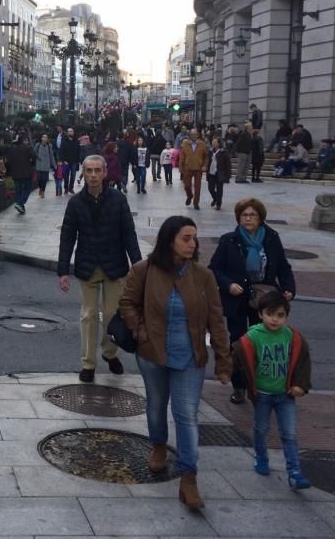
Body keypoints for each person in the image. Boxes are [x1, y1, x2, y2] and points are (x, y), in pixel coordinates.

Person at [119, 216, 232, 509]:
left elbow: (216, 320)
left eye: (194, 238)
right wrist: (140, 331)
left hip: (190, 357)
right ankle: (158, 445)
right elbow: (127, 303)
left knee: (186, 415)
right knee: (156, 405)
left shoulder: (203, 276)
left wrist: (223, 359)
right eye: (186, 238)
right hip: (152, 353)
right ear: (169, 239)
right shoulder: (144, 271)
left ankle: (188, 477)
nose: (192, 244)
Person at [57, 154, 142, 383]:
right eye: (89, 171)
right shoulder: (75, 203)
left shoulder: (118, 200)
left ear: (105, 173)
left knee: (113, 314)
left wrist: (139, 266)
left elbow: (129, 234)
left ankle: (109, 353)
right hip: (88, 266)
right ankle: (88, 363)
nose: (93, 175)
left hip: (115, 266)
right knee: (88, 315)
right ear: (82, 174)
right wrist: (63, 270)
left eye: (97, 171)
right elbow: (67, 237)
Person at [209, 198, 296, 404]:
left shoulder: (271, 238)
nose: (248, 219)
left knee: (261, 343)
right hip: (237, 299)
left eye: (252, 215)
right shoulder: (228, 240)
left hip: (264, 301)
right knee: (239, 343)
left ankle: (256, 385)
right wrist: (228, 284)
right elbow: (215, 268)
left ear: (260, 218)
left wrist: (289, 288)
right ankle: (239, 386)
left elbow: (283, 267)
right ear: (239, 218)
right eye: (244, 215)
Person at [233, 290, 312, 490]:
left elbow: (303, 362)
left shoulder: (292, 337)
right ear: (260, 314)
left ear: (286, 316)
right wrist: (227, 372)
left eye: (280, 315)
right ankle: (261, 457)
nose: (275, 320)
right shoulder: (253, 336)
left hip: (285, 395)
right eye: (270, 314)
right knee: (261, 429)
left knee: (289, 433)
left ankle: (294, 472)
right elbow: (239, 357)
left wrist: (301, 385)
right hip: (262, 395)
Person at [179, 128, 208, 210]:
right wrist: (181, 167)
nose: (194, 136)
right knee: (187, 186)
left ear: (198, 135)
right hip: (188, 168)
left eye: (195, 134)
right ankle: (189, 195)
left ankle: (196, 203)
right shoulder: (185, 144)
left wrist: (205, 165)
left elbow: (206, 156)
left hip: (198, 168)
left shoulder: (202, 144)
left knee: (197, 187)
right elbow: (182, 157)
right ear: (190, 135)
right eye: (192, 134)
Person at [6, 136, 35, 214]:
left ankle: (21, 207)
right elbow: (34, 157)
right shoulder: (28, 148)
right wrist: (31, 164)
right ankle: (20, 203)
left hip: (15, 174)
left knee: (18, 190)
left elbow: (8, 162)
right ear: (24, 141)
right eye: (26, 140)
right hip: (26, 173)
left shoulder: (12, 149)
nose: (27, 142)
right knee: (27, 189)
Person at [207, 137, 232, 211]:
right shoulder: (211, 151)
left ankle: (218, 204)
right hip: (211, 172)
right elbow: (208, 161)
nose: (213, 143)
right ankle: (215, 199)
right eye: (212, 142)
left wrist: (228, 174)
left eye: (214, 142)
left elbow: (228, 163)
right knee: (210, 188)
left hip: (220, 172)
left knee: (219, 189)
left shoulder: (224, 151)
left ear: (219, 143)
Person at [32, 133, 57, 200]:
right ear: (41, 138)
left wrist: (54, 165)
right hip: (39, 164)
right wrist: (37, 157)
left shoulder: (49, 146)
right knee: (39, 179)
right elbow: (33, 153)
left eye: (46, 137)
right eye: (43, 137)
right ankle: (40, 188)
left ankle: (43, 191)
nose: (44, 138)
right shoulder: (37, 145)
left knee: (44, 179)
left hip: (46, 165)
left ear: (47, 139)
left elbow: (51, 156)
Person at [58, 127, 80, 193]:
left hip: (74, 161)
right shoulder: (64, 141)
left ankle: (71, 188)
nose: (71, 132)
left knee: (73, 176)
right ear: (67, 133)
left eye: (72, 131)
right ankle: (66, 188)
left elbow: (78, 151)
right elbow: (61, 152)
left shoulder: (76, 141)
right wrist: (63, 160)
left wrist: (78, 160)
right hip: (66, 162)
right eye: (69, 131)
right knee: (66, 176)